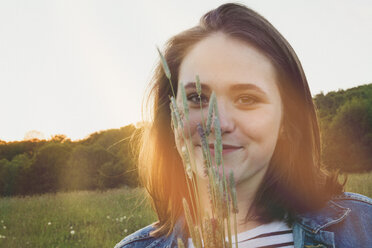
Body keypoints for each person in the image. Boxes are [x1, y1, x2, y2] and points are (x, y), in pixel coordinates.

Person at [115, 3, 372, 248]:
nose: (218, 124)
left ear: (287, 119)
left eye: (247, 99)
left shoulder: (362, 227)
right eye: (196, 98)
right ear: (170, 117)